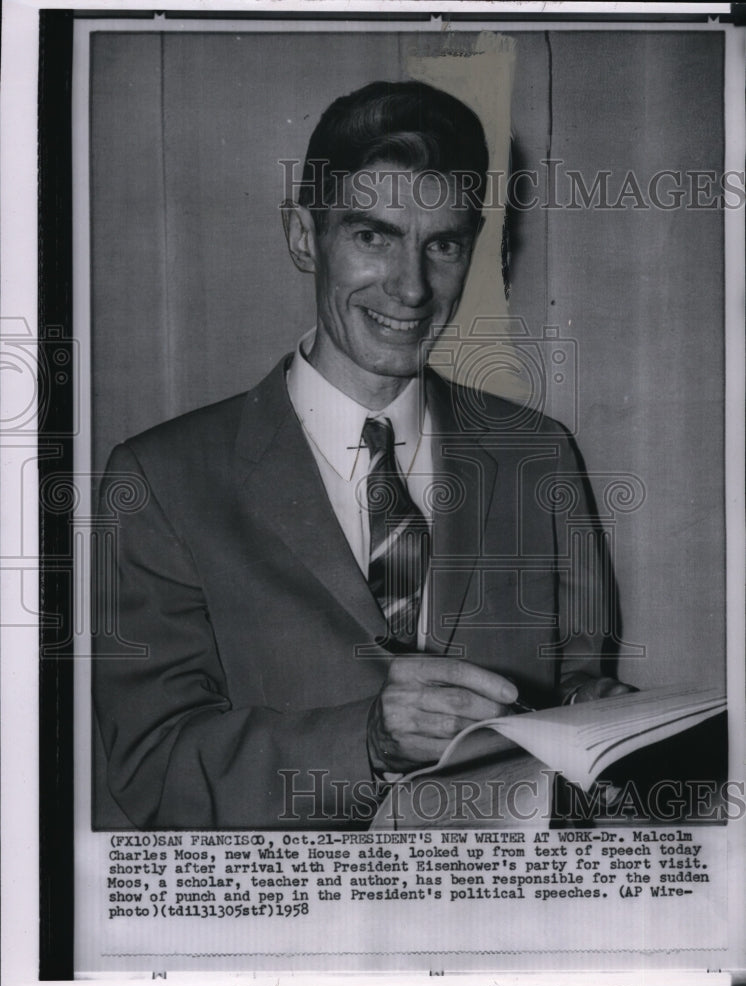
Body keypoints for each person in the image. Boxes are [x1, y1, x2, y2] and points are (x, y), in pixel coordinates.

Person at [93, 80, 629, 830]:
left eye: (441, 244)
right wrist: (368, 742)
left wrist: (601, 718)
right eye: (372, 236)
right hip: (282, 931)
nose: (411, 289)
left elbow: (575, 680)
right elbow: (152, 770)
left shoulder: (538, 455)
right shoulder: (161, 479)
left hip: (498, 920)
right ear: (303, 236)